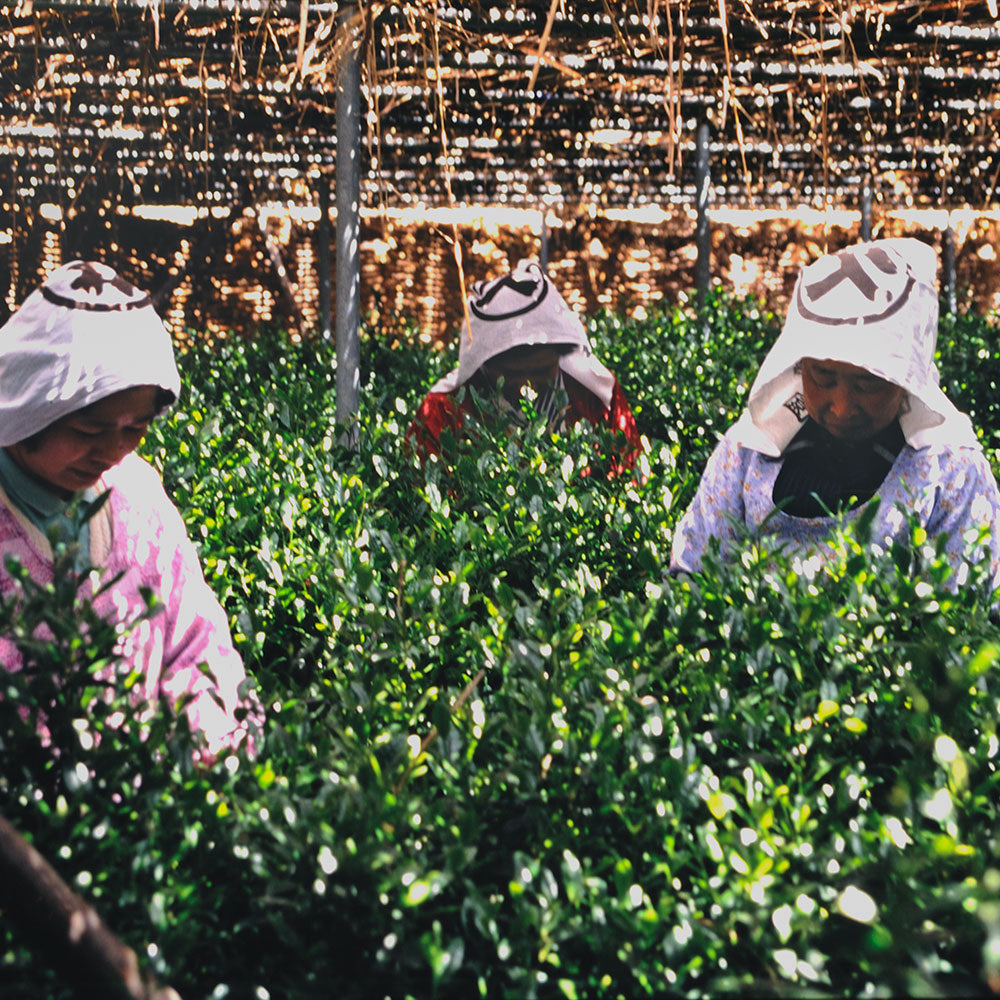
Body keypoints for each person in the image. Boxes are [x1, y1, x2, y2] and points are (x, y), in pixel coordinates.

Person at [0, 260, 259, 760]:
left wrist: (194, 756)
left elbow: (198, 649)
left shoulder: (137, 500)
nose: (113, 450)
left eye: (135, 427)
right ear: (28, 408)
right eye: (90, 431)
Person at [670, 238, 1000, 587]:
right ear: (800, 368)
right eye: (823, 377)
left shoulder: (950, 472)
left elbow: (968, 614)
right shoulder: (747, 454)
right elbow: (691, 577)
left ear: (907, 379)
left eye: (867, 384)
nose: (842, 407)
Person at [406, 259, 641, 471]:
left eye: (540, 371)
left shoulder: (595, 399)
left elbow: (629, 474)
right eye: (511, 373)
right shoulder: (443, 411)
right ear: (485, 364)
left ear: (558, 357)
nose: (527, 384)